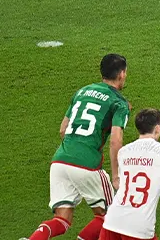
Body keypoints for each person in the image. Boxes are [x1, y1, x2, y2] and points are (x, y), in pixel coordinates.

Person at [25, 54, 133, 240]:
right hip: (87, 164)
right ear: (122, 74)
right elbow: (116, 141)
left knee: (61, 220)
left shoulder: (82, 91)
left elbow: (63, 129)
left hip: (60, 161)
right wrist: (116, 176)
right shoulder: (119, 103)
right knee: (112, 216)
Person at [100, 108, 160, 240]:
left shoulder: (124, 152)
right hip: (138, 227)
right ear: (157, 128)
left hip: (112, 221)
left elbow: (134, 179)